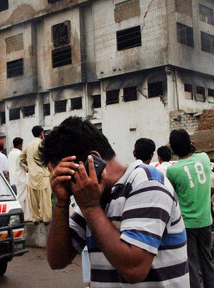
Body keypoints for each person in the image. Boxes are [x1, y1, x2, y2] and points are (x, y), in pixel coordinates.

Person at [41, 117, 188, 287]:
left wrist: (91, 207)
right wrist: (61, 202)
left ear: (93, 161)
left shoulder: (147, 182)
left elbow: (134, 269)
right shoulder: (93, 196)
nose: (69, 186)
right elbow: (56, 260)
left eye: (67, 176)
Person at [166, 129, 214, 288]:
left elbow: (171, 195)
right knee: (207, 260)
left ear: (173, 149)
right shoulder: (203, 158)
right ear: (190, 143)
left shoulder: (173, 170)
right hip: (205, 220)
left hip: (187, 223)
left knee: (192, 263)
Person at [20, 126, 52, 225]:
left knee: (34, 200)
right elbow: (48, 159)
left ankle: (36, 218)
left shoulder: (28, 145)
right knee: (45, 199)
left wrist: (28, 166)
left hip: (32, 175)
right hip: (43, 175)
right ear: (42, 133)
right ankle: (46, 219)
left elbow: (21, 158)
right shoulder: (43, 144)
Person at [8, 137, 31, 222]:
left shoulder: (10, 154)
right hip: (21, 179)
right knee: (22, 199)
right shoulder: (19, 154)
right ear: (20, 144)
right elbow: (25, 165)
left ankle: (23, 217)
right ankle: (22, 217)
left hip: (13, 179)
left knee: (18, 197)